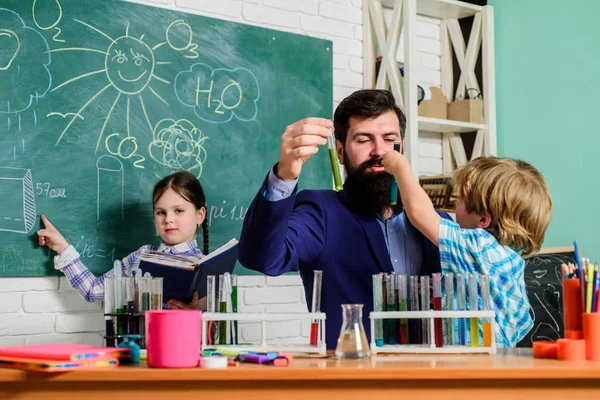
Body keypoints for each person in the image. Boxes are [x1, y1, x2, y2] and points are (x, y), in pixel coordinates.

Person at [238, 89, 451, 349]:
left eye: (389, 139)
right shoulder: (321, 211)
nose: (379, 151)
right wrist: (284, 175)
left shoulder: (435, 223)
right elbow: (262, 257)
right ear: (340, 152)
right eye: (364, 140)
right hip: (352, 378)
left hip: (434, 376)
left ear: (402, 147)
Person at [381, 153, 553, 347]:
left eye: (461, 199)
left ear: (483, 220)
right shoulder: (510, 258)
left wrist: (400, 167)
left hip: (473, 361)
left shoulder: (478, 246)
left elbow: (419, 213)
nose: (456, 204)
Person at [37, 171, 209, 310]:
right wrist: (63, 248)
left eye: (178, 211)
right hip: (140, 349)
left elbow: (218, 333)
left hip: (185, 349)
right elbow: (93, 291)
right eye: (161, 212)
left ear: (199, 215)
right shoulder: (142, 256)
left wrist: (198, 316)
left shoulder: (207, 266)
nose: (168, 219)